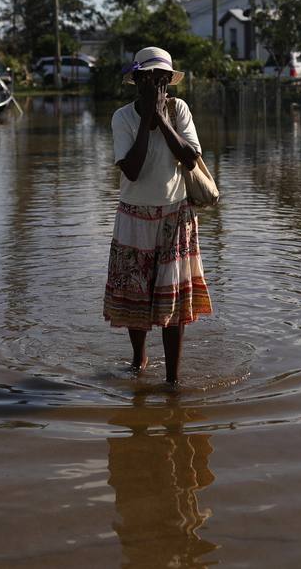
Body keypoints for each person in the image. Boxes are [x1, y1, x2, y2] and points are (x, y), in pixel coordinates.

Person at [104, 46, 213, 385]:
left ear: (168, 82)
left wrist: (161, 118)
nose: (154, 84)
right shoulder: (122, 118)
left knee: (175, 301)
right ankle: (139, 361)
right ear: (136, 81)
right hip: (135, 217)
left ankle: (172, 381)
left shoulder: (179, 110)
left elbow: (190, 158)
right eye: (147, 79)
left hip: (175, 215)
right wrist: (146, 119)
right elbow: (133, 170)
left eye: (160, 79)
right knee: (135, 296)